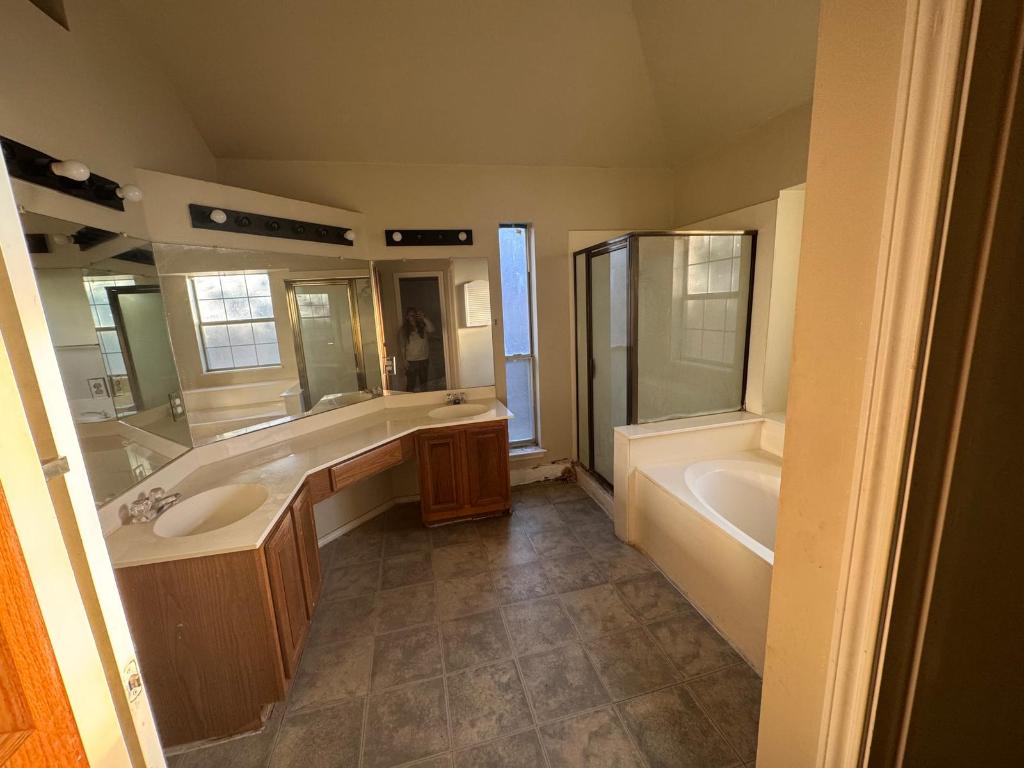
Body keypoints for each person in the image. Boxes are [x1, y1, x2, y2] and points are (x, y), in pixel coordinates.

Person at [400, 306, 434, 391]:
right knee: (410, 385)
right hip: (411, 361)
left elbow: (432, 329)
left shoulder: (422, 326)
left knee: (424, 384)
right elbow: (402, 346)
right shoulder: (403, 330)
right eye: (410, 315)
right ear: (407, 317)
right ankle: (409, 402)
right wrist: (404, 360)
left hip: (423, 359)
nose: (412, 317)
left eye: (414, 315)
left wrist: (424, 318)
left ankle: (424, 401)